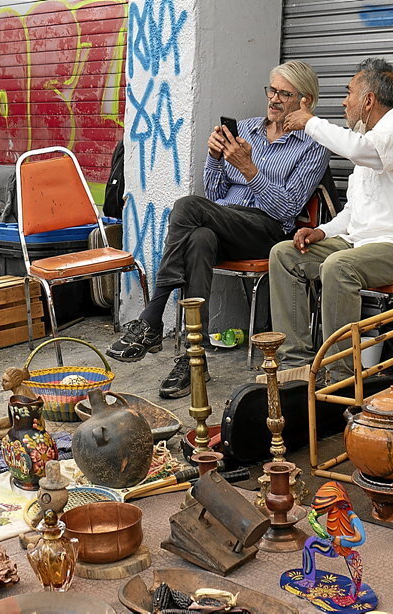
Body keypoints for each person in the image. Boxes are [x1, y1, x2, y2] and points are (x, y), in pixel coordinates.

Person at [106, 60, 330, 399]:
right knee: (199, 238)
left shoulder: (314, 145)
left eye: (285, 94)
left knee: (187, 206)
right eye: (272, 90)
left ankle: (152, 315)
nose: (274, 99)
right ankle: (193, 360)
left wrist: (249, 169)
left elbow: (286, 209)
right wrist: (214, 158)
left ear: (305, 101)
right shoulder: (247, 129)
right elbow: (215, 196)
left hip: (266, 232)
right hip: (225, 224)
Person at [273, 58, 393, 382]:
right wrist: (321, 231)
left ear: (368, 100)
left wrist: (311, 122)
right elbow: (355, 212)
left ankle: (340, 376)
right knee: (285, 254)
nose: (344, 101)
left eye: (348, 93)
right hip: (364, 242)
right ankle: (296, 365)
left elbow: (362, 151)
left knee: (339, 267)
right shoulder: (369, 138)